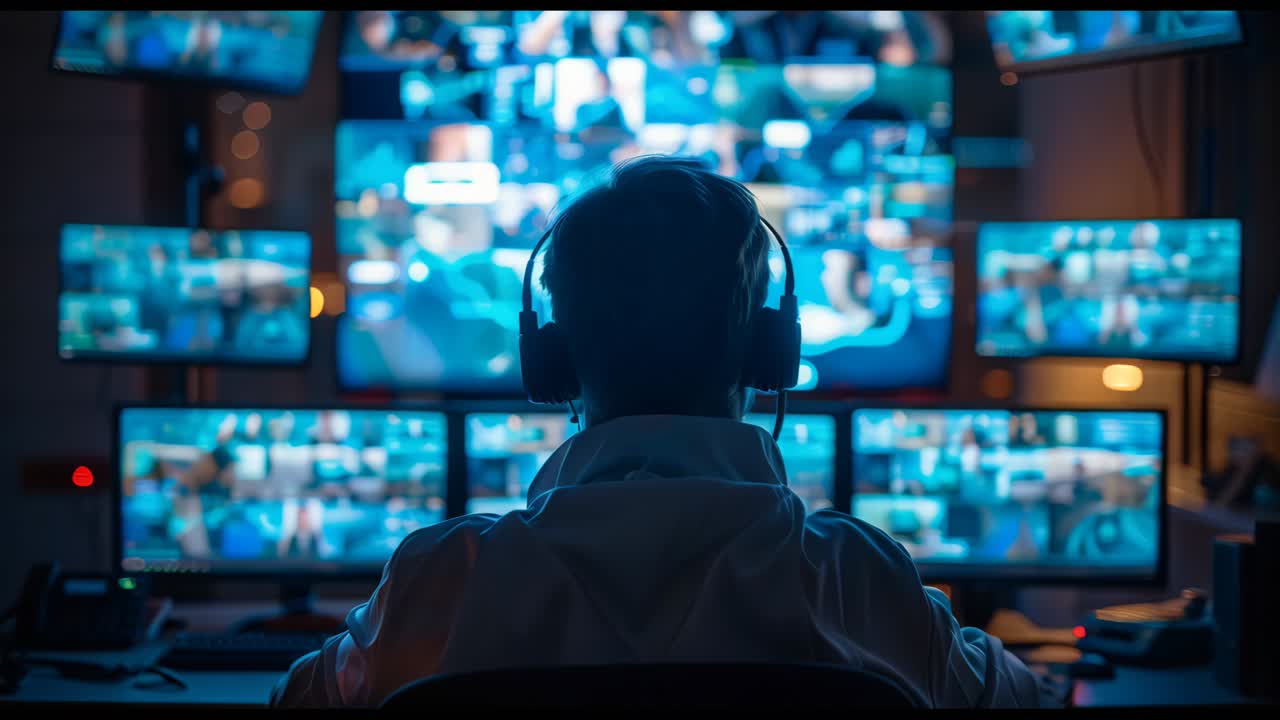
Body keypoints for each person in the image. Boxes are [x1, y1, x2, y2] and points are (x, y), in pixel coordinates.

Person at [271, 156, 1053, 708]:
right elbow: (1034, 700)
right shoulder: (859, 579)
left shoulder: (439, 580)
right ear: (769, 353)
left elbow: (295, 700)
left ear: (552, 360)